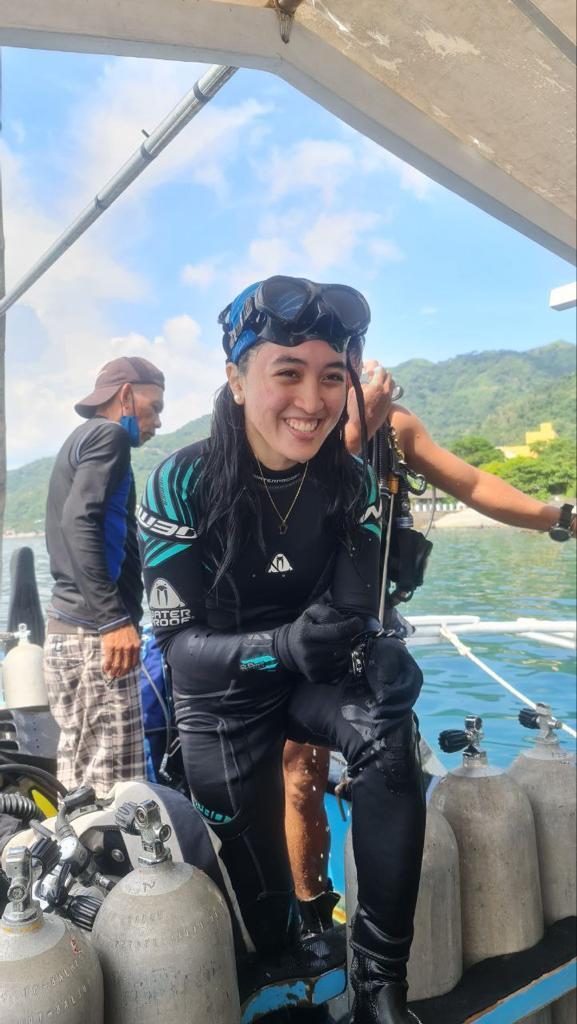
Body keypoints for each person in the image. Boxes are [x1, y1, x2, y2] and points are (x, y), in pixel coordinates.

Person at [139, 276, 428, 1024]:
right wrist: (285, 642)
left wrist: (381, 648)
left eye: (332, 376)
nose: (313, 398)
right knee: (268, 931)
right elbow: (181, 653)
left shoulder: (352, 483)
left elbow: (353, 610)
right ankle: (280, 945)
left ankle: (379, 988)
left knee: (388, 738)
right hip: (219, 701)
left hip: (309, 677)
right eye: (287, 372)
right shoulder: (181, 481)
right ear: (237, 380)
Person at [283, 342, 577, 932]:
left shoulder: (391, 427)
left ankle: (389, 928)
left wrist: (562, 518)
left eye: (341, 366)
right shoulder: (285, 429)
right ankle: (311, 910)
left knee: (387, 762)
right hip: (295, 627)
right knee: (299, 768)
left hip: (370, 624)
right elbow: (285, 497)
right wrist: (353, 425)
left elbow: (469, 481)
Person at [44, 356, 165, 799]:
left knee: (80, 788)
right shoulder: (108, 435)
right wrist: (114, 620)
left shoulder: (80, 440)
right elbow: (80, 521)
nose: (158, 422)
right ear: (127, 396)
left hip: (66, 634)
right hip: (95, 641)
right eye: (155, 406)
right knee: (118, 796)